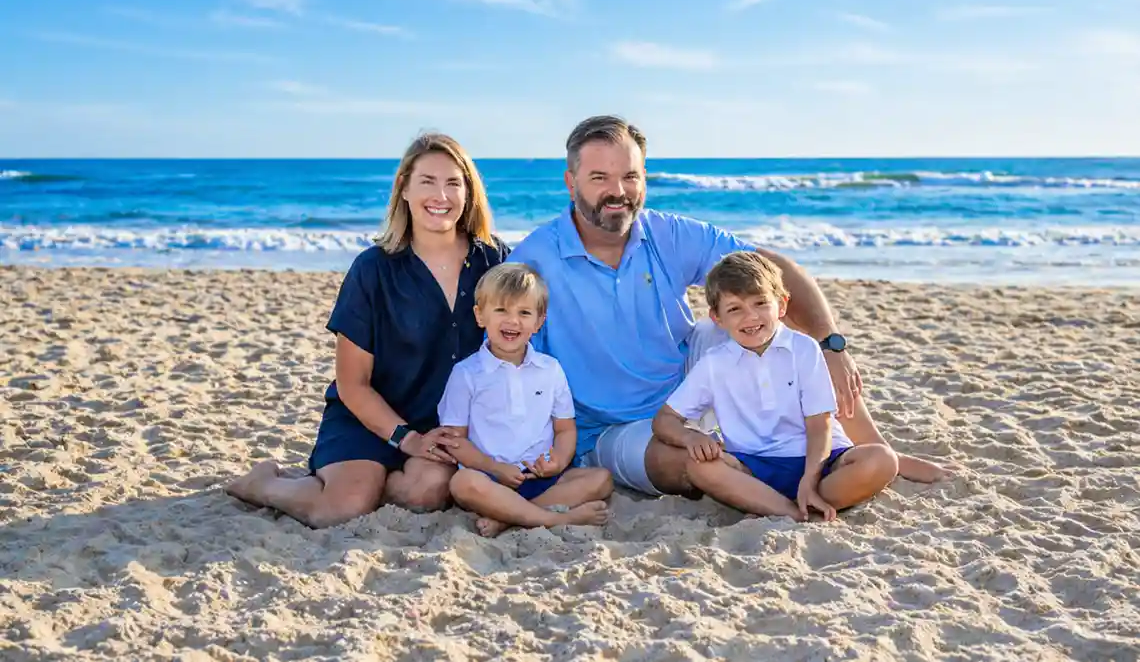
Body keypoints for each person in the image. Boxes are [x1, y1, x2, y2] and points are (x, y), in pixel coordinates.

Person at [506, 114, 949, 498]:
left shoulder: (666, 233)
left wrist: (831, 346)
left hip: (685, 373)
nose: (618, 191)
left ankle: (864, 446)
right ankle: (781, 478)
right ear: (570, 181)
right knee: (684, 468)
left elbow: (773, 270)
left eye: (631, 176)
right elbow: (514, 362)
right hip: (608, 423)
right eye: (599, 178)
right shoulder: (534, 260)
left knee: (762, 314)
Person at [225, 133, 509, 528]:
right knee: (341, 509)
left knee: (427, 493)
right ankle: (264, 485)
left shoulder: (495, 261)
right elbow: (352, 383)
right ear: (404, 189)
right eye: (427, 181)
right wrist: (407, 440)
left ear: (468, 192)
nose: (440, 195)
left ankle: (370, 481)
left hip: (443, 427)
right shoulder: (373, 268)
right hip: (368, 418)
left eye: (453, 183)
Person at [652, 251, 898, 520]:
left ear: (781, 306)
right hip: (754, 468)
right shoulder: (714, 363)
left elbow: (820, 424)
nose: (750, 317)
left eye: (760, 303)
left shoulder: (804, 349)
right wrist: (691, 437)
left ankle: (800, 499)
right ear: (717, 319)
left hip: (820, 460)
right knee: (700, 467)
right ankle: (792, 511)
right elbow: (665, 419)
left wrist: (810, 478)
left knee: (882, 460)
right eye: (735, 309)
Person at [441, 263, 613, 537]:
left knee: (601, 479)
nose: (513, 321)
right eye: (501, 310)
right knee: (462, 483)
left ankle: (508, 518)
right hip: (490, 478)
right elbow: (455, 441)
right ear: (480, 315)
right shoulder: (466, 374)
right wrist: (495, 468)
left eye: (524, 312)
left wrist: (556, 461)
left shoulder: (550, 369)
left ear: (539, 321)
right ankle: (553, 518)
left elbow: (565, 429)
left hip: (540, 477)